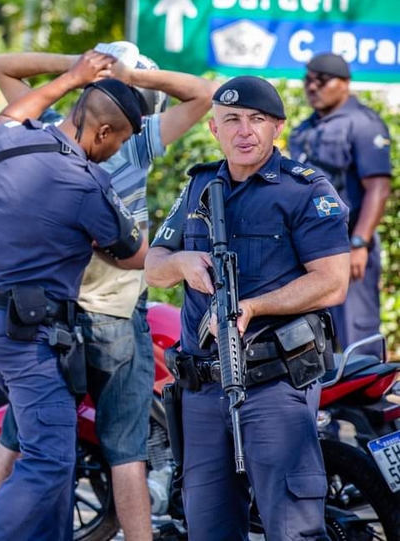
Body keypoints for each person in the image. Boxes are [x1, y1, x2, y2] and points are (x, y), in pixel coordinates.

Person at [0, 49, 219, 540]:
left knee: (18, 442)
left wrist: (78, 67)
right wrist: (133, 75)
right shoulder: (132, 145)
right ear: (112, 128)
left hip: (38, 315)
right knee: (126, 451)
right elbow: (205, 93)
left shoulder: (29, 133)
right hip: (110, 312)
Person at [145, 76, 350, 539]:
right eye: (231, 120)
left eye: (257, 120)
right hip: (202, 388)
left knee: (291, 527)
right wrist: (180, 262)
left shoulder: (303, 190)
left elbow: (332, 282)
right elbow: (153, 268)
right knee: (208, 527)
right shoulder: (199, 186)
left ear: (277, 126)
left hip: (273, 385)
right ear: (214, 129)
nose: (244, 131)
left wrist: (253, 307)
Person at [0, 50, 147, 540]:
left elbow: (8, 93)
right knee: (48, 460)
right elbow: (132, 254)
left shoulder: (10, 141)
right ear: (104, 133)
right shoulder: (87, 183)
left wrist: (76, 72)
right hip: (27, 335)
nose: (117, 151)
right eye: (121, 141)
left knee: (53, 460)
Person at [288, 52, 392, 353]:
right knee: (313, 336)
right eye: (308, 80)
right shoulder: (304, 128)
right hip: (308, 248)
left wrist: (360, 241)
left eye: (321, 81)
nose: (312, 87)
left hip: (348, 246)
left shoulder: (362, 124)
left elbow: (378, 188)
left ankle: (363, 400)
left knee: (355, 336)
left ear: (345, 84)